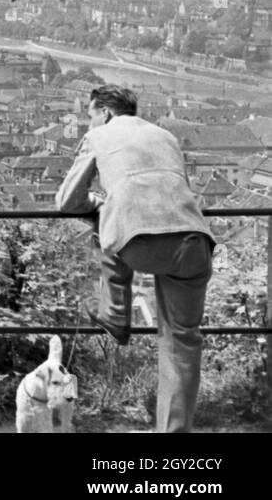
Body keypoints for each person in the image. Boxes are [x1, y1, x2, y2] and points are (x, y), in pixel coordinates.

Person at [55, 85, 215, 433]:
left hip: (138, 241)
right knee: (183, 340)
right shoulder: (166, 136)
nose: (88, 123)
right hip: (194, 241)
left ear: (105, 113)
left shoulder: (99, 136)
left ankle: (115, 312)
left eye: (90, 115)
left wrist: (100, 203)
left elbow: (67, 200)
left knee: (107, 217)